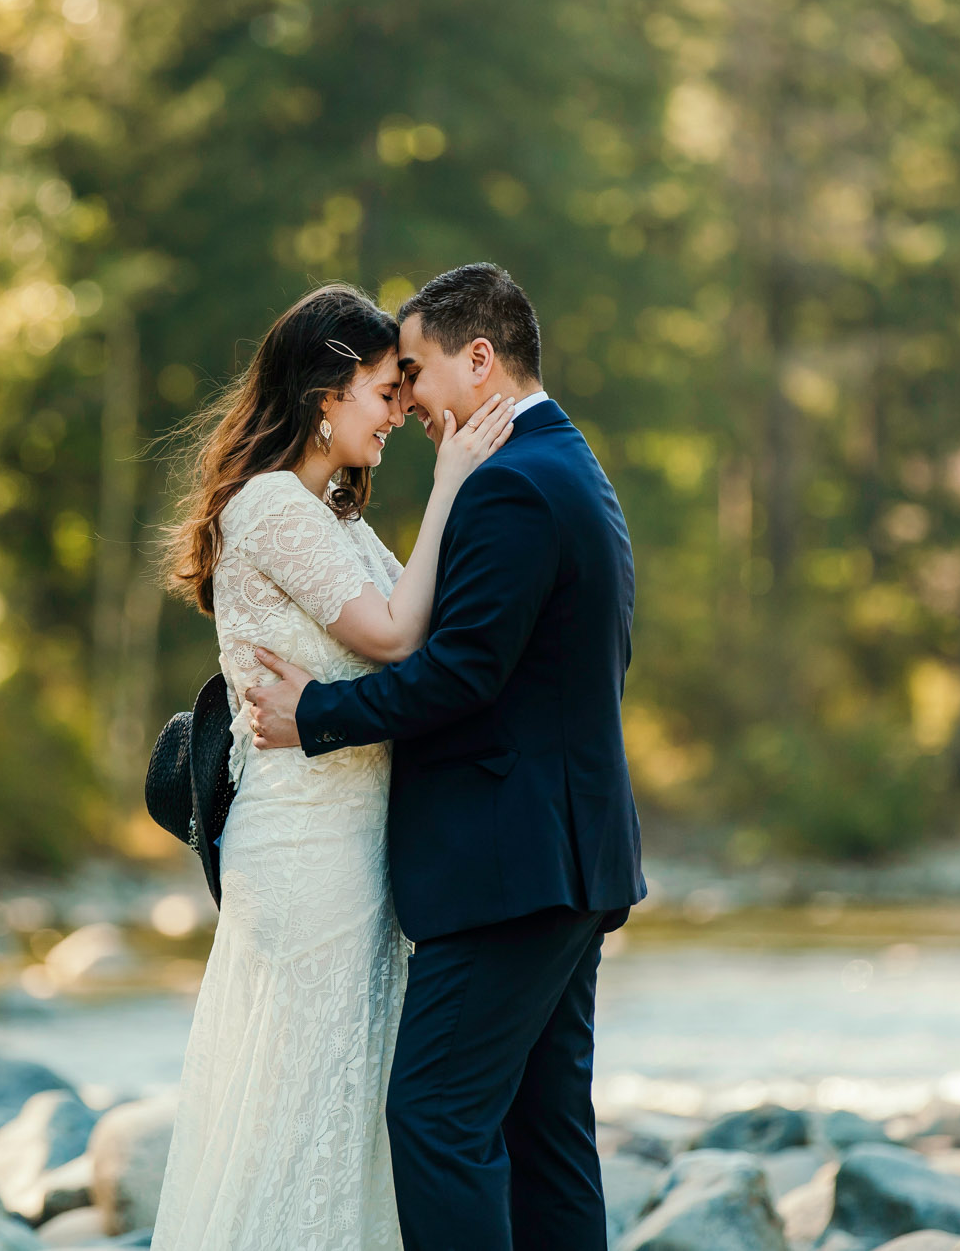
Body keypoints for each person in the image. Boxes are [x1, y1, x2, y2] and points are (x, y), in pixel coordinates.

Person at [245, 262, 648, 1250]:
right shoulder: (569, 464)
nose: (410, 397)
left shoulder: (510, 484)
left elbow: (462, 674)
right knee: (545, 1133)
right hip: (566, 858)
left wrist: (318, 715)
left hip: (507, 871)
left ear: (479, 359)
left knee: (435, 1117)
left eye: (416, 370)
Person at [152, 282, 515, 1249]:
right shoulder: (271, 506)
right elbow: (397, 637)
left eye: (404, 390)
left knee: (347, 1112)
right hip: (304, 853)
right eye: (384, 389)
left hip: (358, 852)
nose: (400, 409)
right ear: (324, 391)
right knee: (296, 1103)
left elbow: (431, 632)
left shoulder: (335, 516)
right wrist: (452, 486)